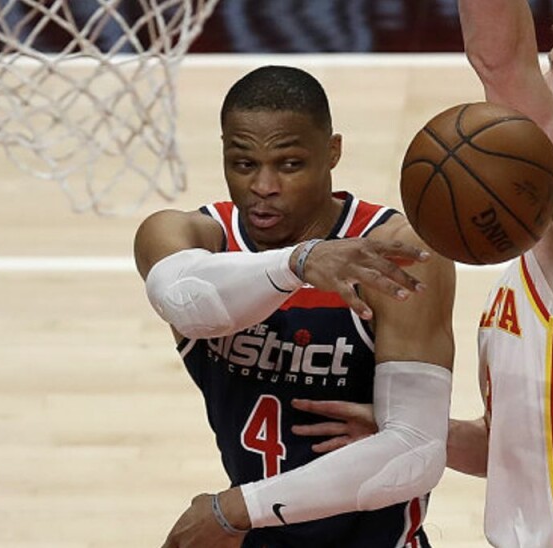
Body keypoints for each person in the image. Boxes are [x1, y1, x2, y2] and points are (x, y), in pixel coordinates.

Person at [297, 3, 553, 546]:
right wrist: (409, 432)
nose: (543, 96)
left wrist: (513, 73)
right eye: (547, 76)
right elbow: (509, 446)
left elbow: (501, 65)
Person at [134, 65, 456, 548]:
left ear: (332, 152)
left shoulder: (393, 251)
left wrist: (235, 510)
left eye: (289, 165)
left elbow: (414, 453)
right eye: (244, 165)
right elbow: (184, 301)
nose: (264, 186)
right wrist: (299, 264)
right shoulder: (186, 237)